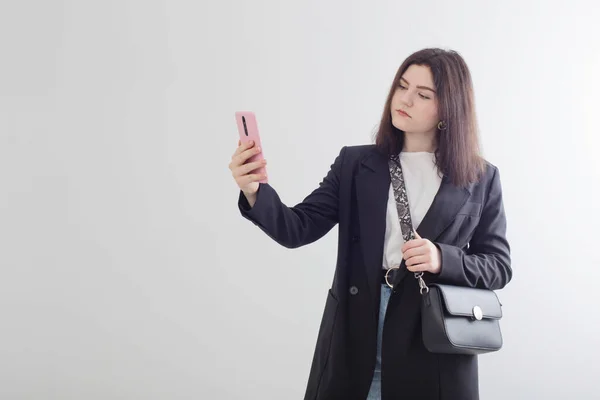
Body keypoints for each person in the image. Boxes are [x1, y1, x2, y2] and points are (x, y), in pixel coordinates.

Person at [228, 48, 512, 400]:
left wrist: (442, 258)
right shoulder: (356, 163)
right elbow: (297, 228)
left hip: (429, 341)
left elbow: (498, 266)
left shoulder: (481, 178)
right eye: (402, 86)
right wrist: (255, 190)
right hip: (356, 330)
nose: (404, 99)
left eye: (423, 95)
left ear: (449, 109)